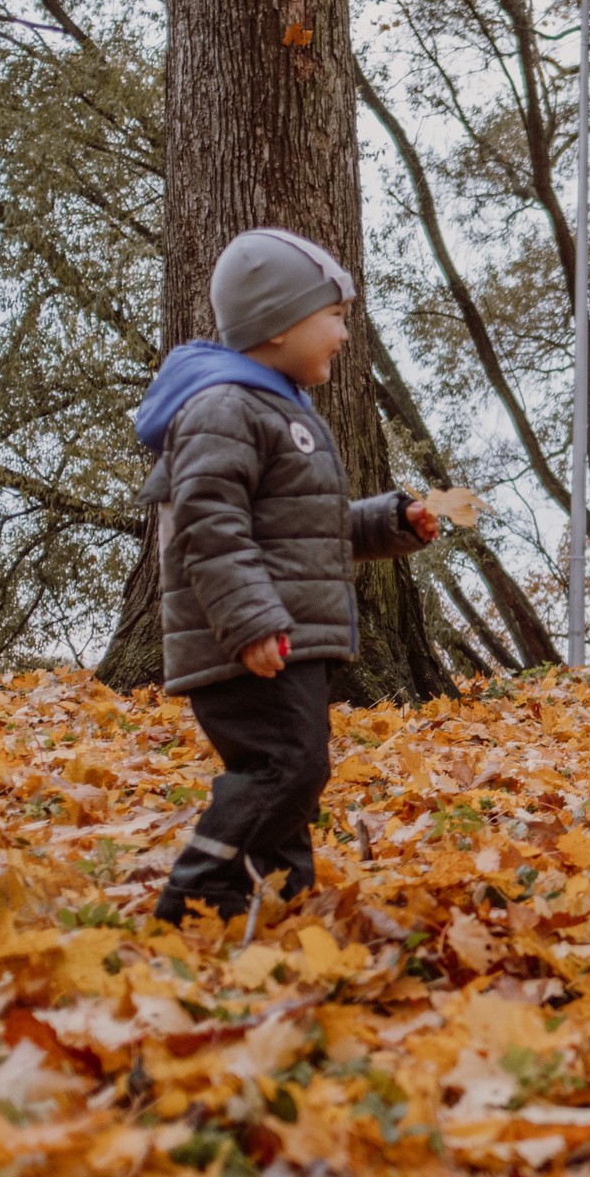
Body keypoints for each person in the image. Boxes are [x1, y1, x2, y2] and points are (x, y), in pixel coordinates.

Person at [136, 229, 437, 924]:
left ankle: (280, 900)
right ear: (277, 324)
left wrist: (392, 521)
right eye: (333, 316)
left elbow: (305, 530)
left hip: (283, 635)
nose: (344, 334)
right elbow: (208, 527)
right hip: (245, 641)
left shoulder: (277, 407)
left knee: (294, 776)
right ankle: (199, 892)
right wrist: (249, 621)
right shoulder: (223, 408)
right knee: (285, 768)